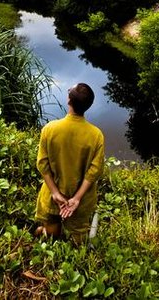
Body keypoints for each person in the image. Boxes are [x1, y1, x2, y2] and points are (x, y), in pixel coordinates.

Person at [35, 83, 105, 243]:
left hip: (53, 196)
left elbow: (42, 164)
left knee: (52, 230)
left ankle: (44, 231)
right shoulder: (96, 135)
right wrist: (77, 198)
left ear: (68, 100)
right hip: (81, 200)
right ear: (88, 106)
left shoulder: (49, 129)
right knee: (78, 238)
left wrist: (55, 192)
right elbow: (95, 171)